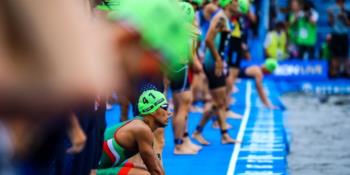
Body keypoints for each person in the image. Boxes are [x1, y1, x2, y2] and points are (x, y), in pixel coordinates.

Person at [194, 0, 240, 145]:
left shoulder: (224, 18)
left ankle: (214, 133)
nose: (238, 4)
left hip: (218, 62)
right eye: (235, 1)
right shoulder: (220, 18)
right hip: (213, 64)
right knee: (219, 102)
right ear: (227, 4)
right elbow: (208, 40)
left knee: (218, 102)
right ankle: (203, 132)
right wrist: (218, 60)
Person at [98, 90, 169, 175]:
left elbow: (155, 163)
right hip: (87, 170)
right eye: (165, 107)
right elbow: (155, 170)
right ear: (152, 111)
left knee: (144, 168)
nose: (169, 112)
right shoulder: (142, 129)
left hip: (100, 166)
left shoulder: (141, 124)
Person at [168, 2, 203, 155]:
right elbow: (192, 55)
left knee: (178, 108)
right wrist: (198, 66)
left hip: (174, 66)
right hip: (182, 67)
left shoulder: (172, 27)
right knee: (183, 107)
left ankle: (181, 141)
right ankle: (179, 145)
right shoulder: (189, 31)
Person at [328, 0, 350, 77]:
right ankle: (334, 72)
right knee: (335, 55)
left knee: (345, 55)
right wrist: (331, 16)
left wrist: (344, 17)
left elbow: (348, 24)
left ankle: (346, 72)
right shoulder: (331, 8)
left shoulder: (348, 9)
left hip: (344, 34)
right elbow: (330, 23)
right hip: (335, 34)